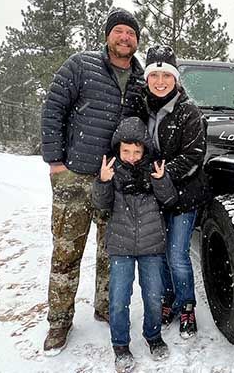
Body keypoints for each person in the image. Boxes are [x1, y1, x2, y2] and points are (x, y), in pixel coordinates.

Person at [40, 7, 144, 355]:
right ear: (107, 36)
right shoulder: (81, 65)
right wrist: (55, 162)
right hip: (75, 174)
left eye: (131, 33)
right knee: (67, 252)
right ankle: (59, 322)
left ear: (137, 40)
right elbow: (53, 108)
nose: (125, 37)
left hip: (115, 178)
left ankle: (105, 305)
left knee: (110, 251)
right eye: (119, 31)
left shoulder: (142, 79)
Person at [92, 117, 177, 371]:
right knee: (118, 299)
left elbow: (170, 199)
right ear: (118, 149)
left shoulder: (154, 170)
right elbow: (101, 204)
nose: (131, 156)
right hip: (120, 246)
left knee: (153, 297)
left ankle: (153, 336)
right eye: (125, 151)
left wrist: (161, 180)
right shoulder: (111, 172)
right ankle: (120, 345)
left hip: (151, 246)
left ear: (144, 151)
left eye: (136, 151)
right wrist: (103, 181)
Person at [138, 45, 211, 339]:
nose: (159, 81)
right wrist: (148, 177)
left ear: (175, 79)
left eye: (165, 75)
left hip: (184, 195)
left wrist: (164, 175)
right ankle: (168, 299)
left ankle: (187, 306)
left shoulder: (188, 111)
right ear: (146, 79)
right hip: (153, 195)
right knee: (160, 253)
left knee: (177, 254)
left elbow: (194, 155)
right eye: (153, 75)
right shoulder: (141, 108)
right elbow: (133, 145)